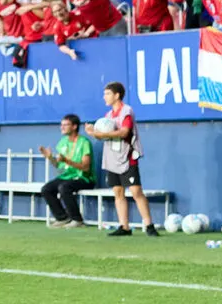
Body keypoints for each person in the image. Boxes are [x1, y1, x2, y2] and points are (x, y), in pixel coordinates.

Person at [86, 82, 158, 237]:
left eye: (107, 94)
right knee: (118, 191)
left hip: (127, 157)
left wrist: (101, 134)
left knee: (135, 191)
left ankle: (149, 225)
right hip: (112, 158)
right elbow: (103, 137)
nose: (104, 97)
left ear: (117, 95)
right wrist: (93, 133)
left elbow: (124, 132)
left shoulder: (126, 111)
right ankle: (124, 226)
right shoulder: (107, 117)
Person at [39, 114, 95, 229]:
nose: (62, 127)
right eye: (61, 125)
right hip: (68, 176)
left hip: (85, 178)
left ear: (74, 126)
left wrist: (67, 161)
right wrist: (50, 158)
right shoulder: (62, 142)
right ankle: (62, 218)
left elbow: (86, 167)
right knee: (46, 189)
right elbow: (58, 165)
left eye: (65, 125)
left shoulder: (84, 142)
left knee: (64, 187)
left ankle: (77, 220)